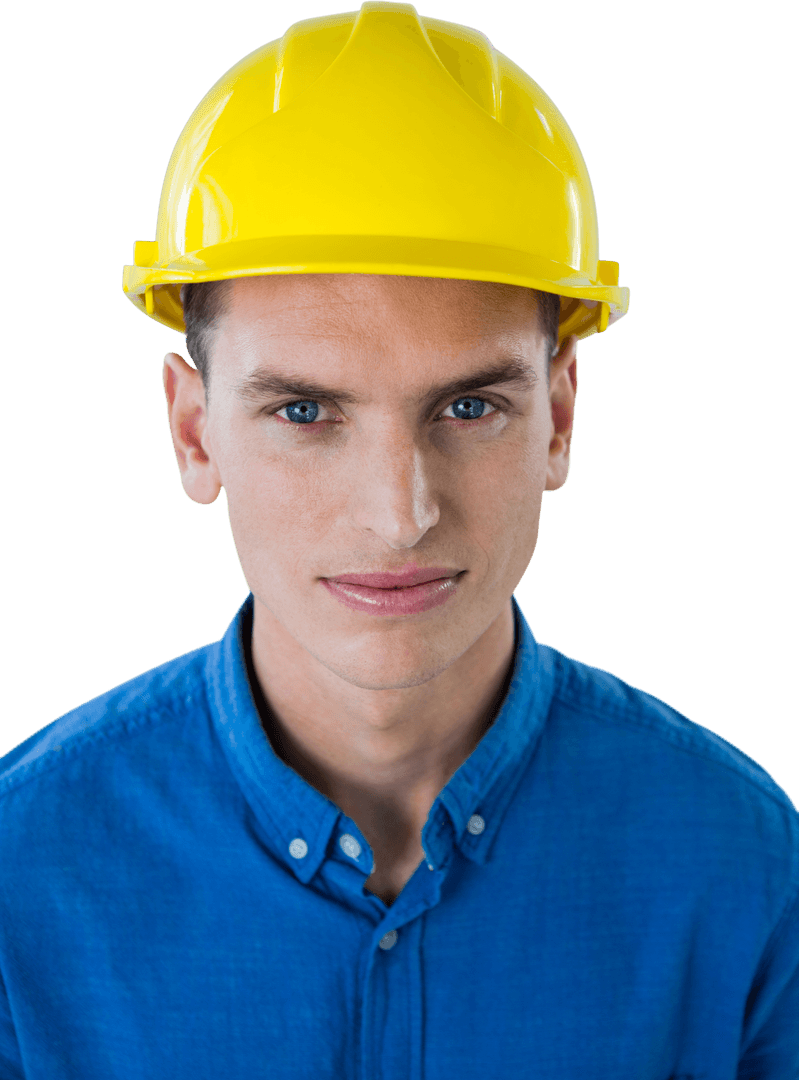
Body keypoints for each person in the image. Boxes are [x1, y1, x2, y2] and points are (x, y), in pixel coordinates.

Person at [0, 3, 796, 1078]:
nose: (398, 513)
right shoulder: (20, 874)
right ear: (195, 431)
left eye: (467, 410)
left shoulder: (746, 875)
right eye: (304, 413)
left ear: (557, 418)